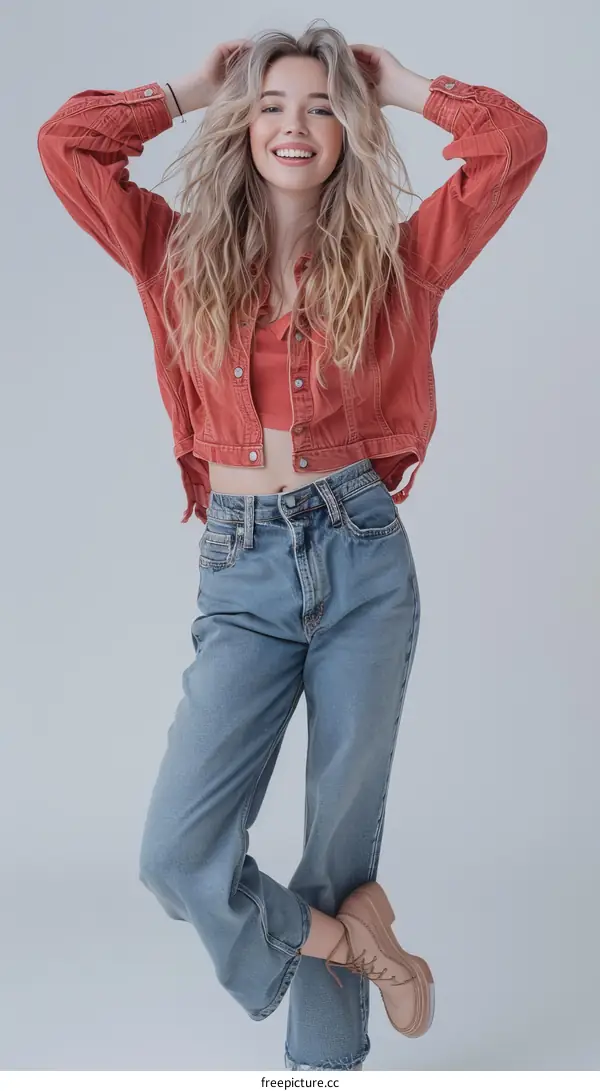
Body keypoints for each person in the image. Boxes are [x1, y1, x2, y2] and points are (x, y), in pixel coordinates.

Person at [37, 20, 547, 1072]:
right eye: (271, 104)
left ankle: (320, 1068)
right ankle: (352, 940)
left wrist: (401, 83)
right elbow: (65, 144)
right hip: (242, 568)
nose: (294, 124)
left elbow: (514, 143)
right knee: (177, 855)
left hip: (363, 558)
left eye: (319, 105)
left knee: (335, 847)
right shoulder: (169, 250)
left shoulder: (402, 259)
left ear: (347, 127)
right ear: (242, 123)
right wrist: (186, 88)